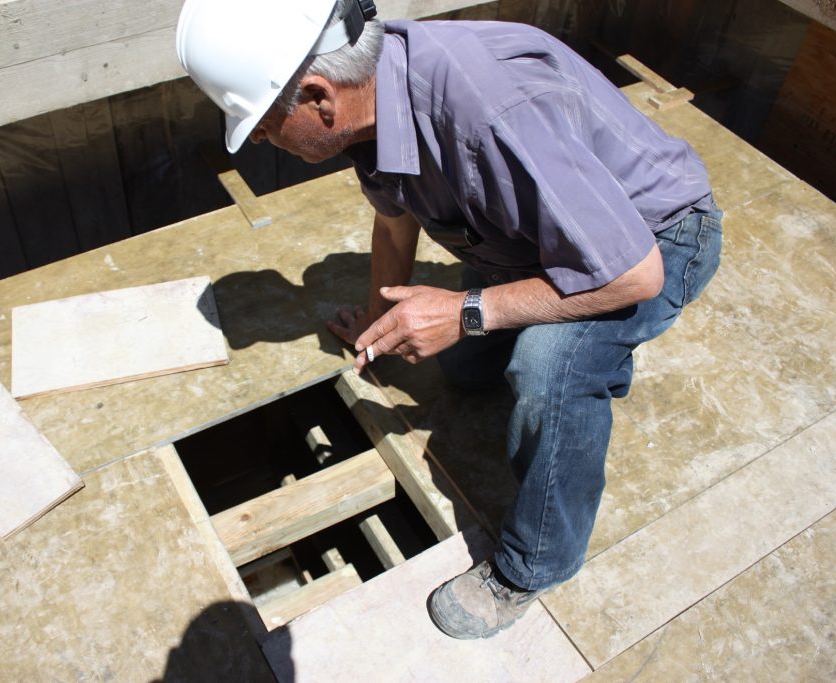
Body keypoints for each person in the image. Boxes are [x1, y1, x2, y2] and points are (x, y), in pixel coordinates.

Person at [177, 0, 722, 639]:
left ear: (320, 97)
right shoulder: (376, 98)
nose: (260, 141)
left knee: (547, 369)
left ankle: (533, 566)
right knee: (464, 369)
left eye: (264, 125)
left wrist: (468, 311)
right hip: (541, 244)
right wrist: (381, 323)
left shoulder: (490, 113)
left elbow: (635, 274)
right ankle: (584, 347)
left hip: (653, 239)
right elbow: (393, 221)